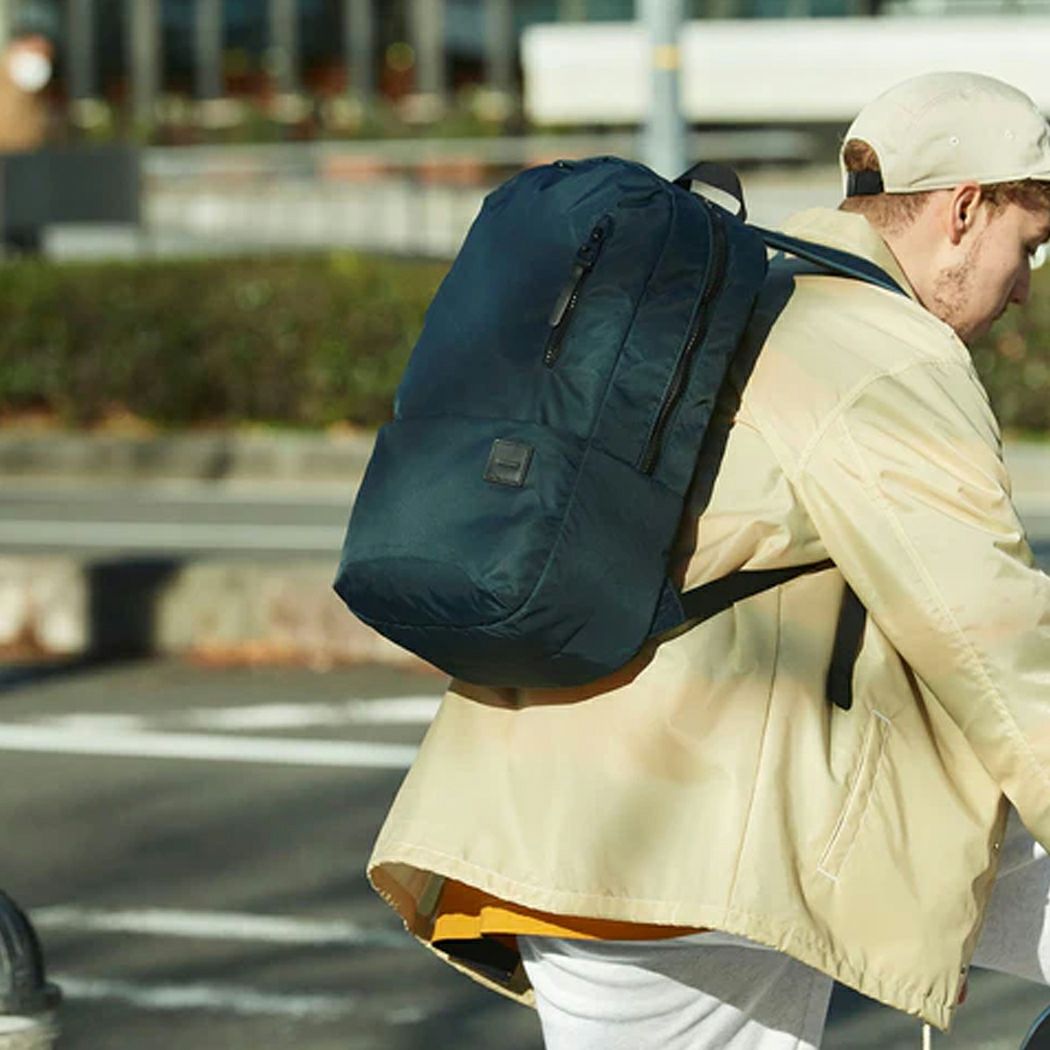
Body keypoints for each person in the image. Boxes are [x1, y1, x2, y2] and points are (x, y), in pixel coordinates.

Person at [366, 71, 1050, 1047]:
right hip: (673, 841)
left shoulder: (759, 292)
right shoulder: (883, 350)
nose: (1024, 287)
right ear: (964, 208)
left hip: (585, 812)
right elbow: (990, 634)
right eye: (1028, 246)